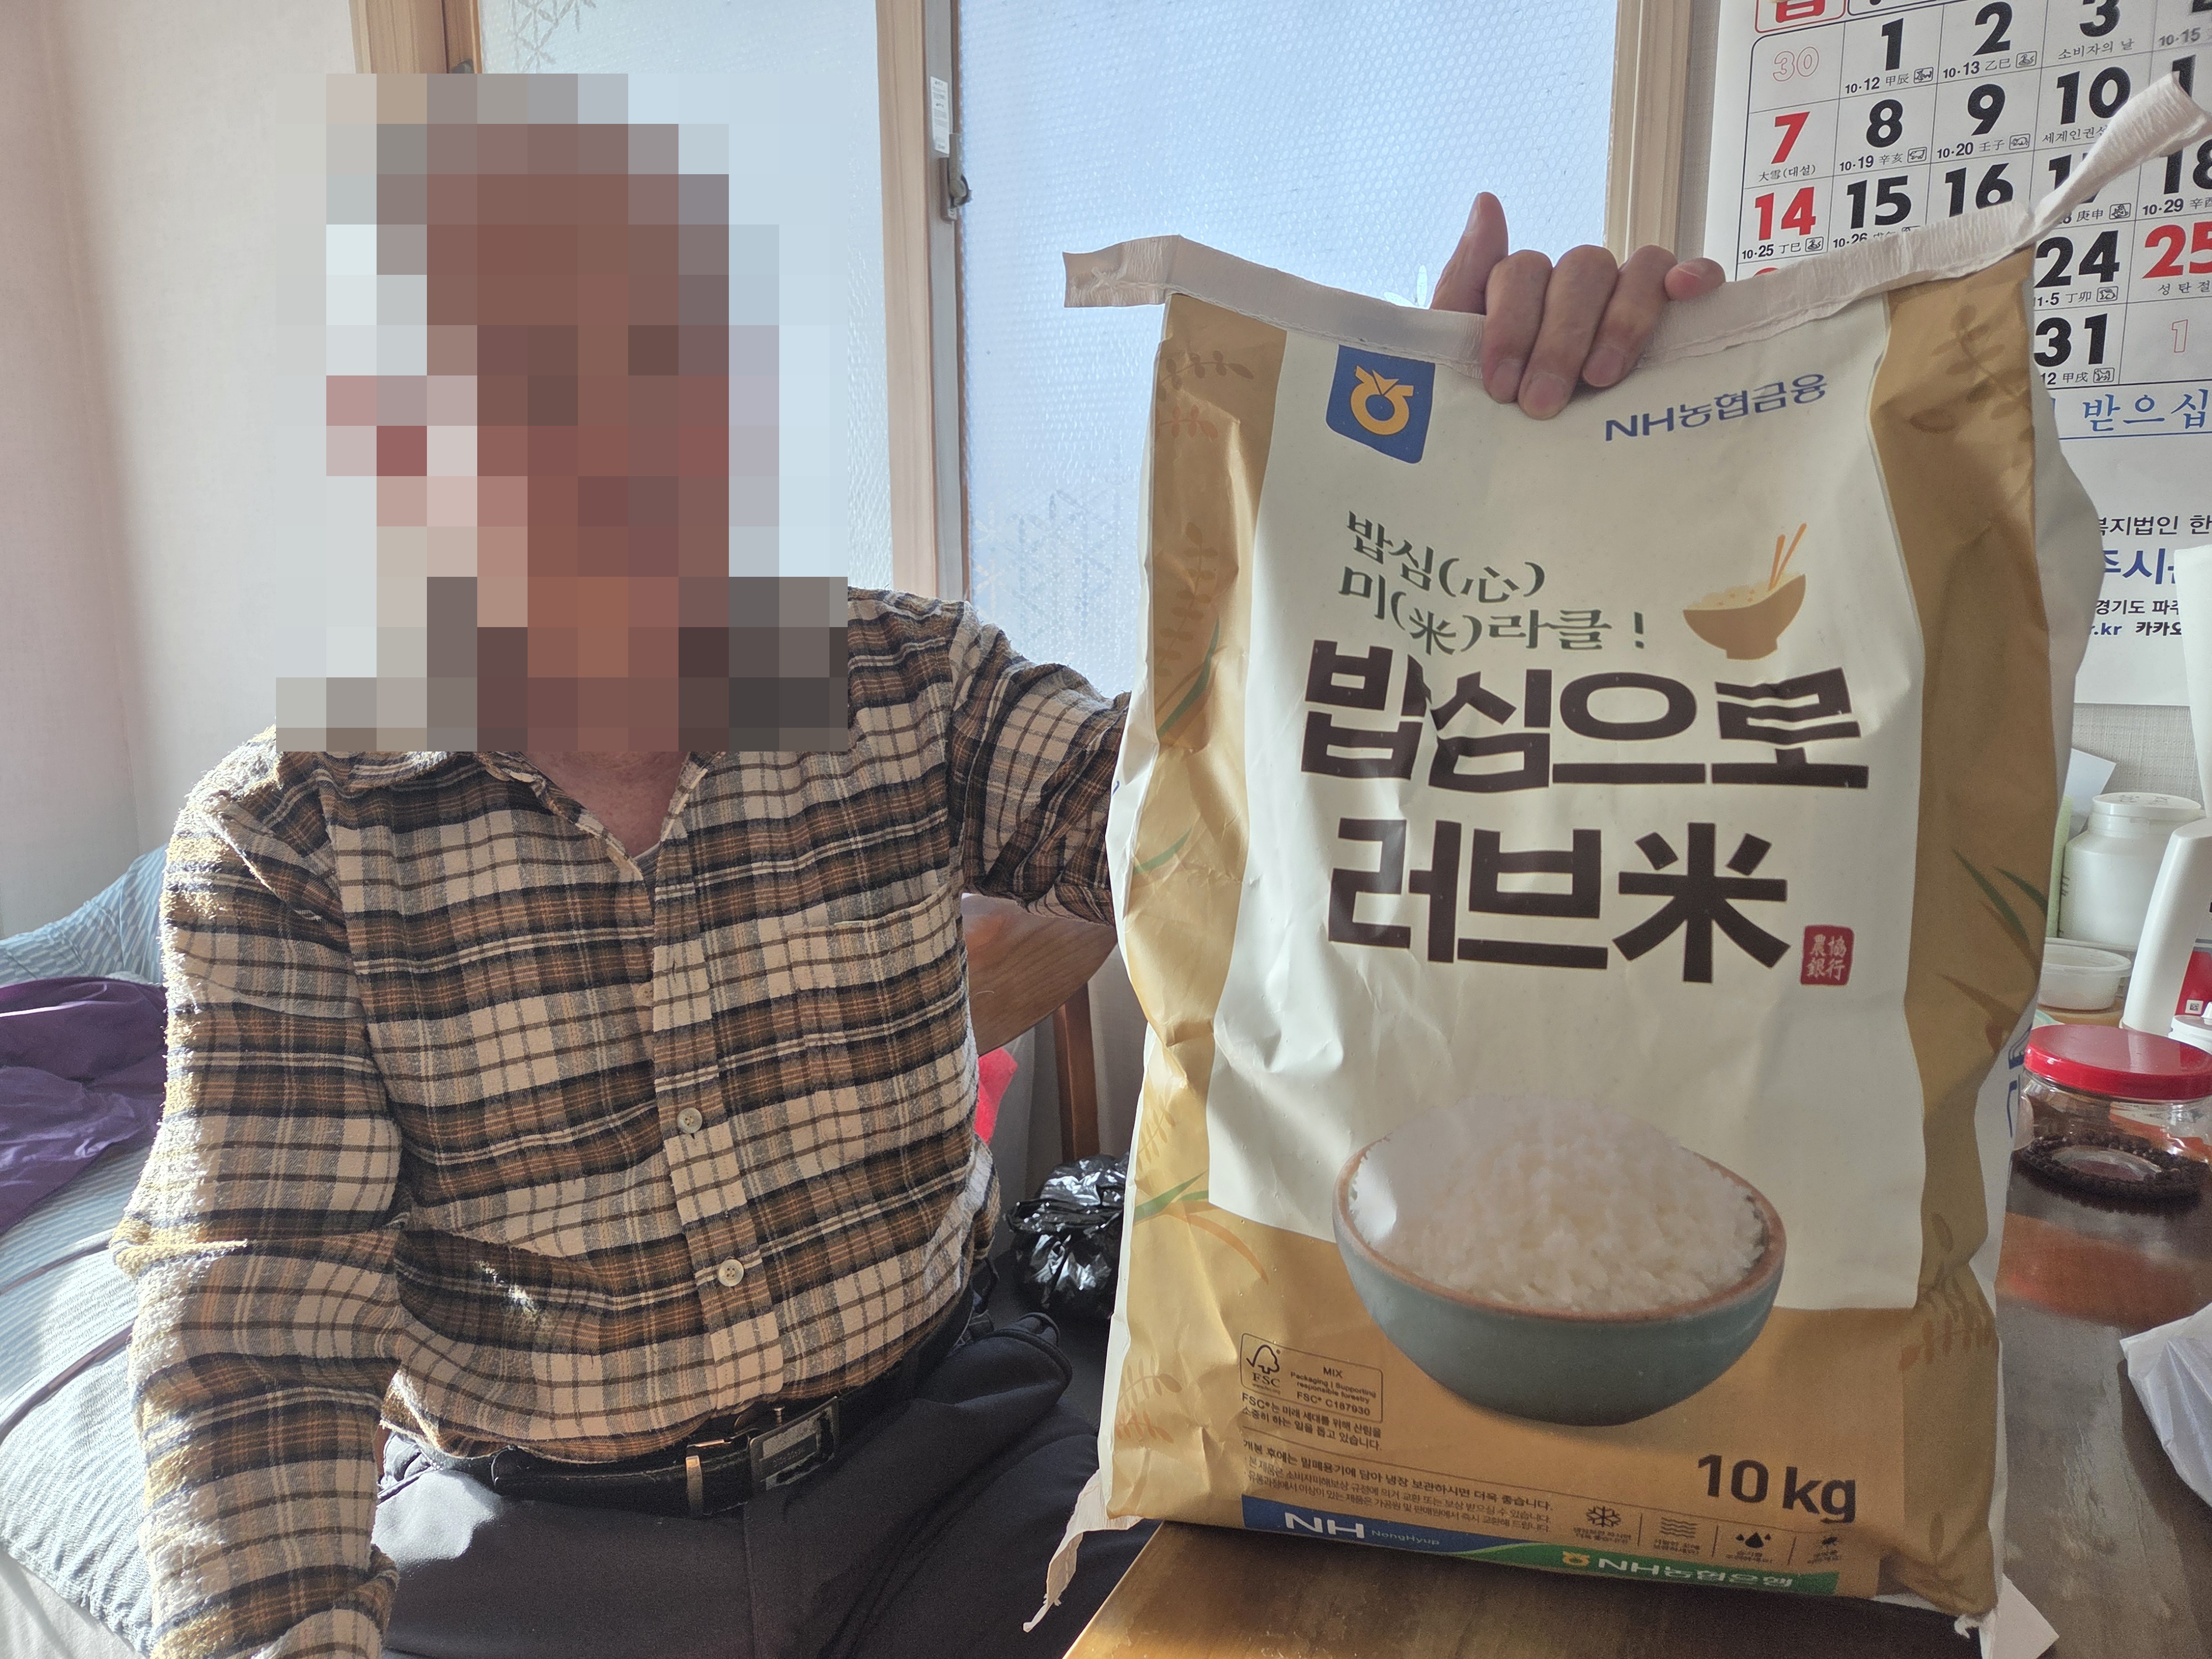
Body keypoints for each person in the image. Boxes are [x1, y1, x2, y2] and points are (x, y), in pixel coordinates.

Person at [113, 160, 1725, 1659]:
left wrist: (1453, 493)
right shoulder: (289, 837)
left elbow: (1234, 835)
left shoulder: (901, 678)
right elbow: (255, 1345)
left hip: (952, 1474)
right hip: (542, 1552)